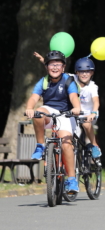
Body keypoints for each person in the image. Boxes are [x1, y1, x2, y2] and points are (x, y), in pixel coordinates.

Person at [25, 51, 81, 194]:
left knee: (66, 145)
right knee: (38, 114)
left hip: (66, 114)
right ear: (46, 67)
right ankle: (40, 146)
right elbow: (33, 97)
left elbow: (74, 97)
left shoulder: (68, 80)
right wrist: (29, 108)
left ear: (63, 67)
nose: (54, 67)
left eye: (58, 64)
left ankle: (72, 180)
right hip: (49, 110)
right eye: (51, 64)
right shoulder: (43, 81)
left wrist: (76, 108)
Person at [34, 52, 102, 159]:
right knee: (68, 137)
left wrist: (93, 112)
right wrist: (44, 61)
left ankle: (94, 145)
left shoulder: (92, 87)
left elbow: (96, 101)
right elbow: (56, 69)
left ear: (92, 72)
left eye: (87, 72)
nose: (84, 74)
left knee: (86, 124)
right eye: (81, 72)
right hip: (71, 113)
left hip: (87, 114)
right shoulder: (72, 78)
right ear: (76, 72)